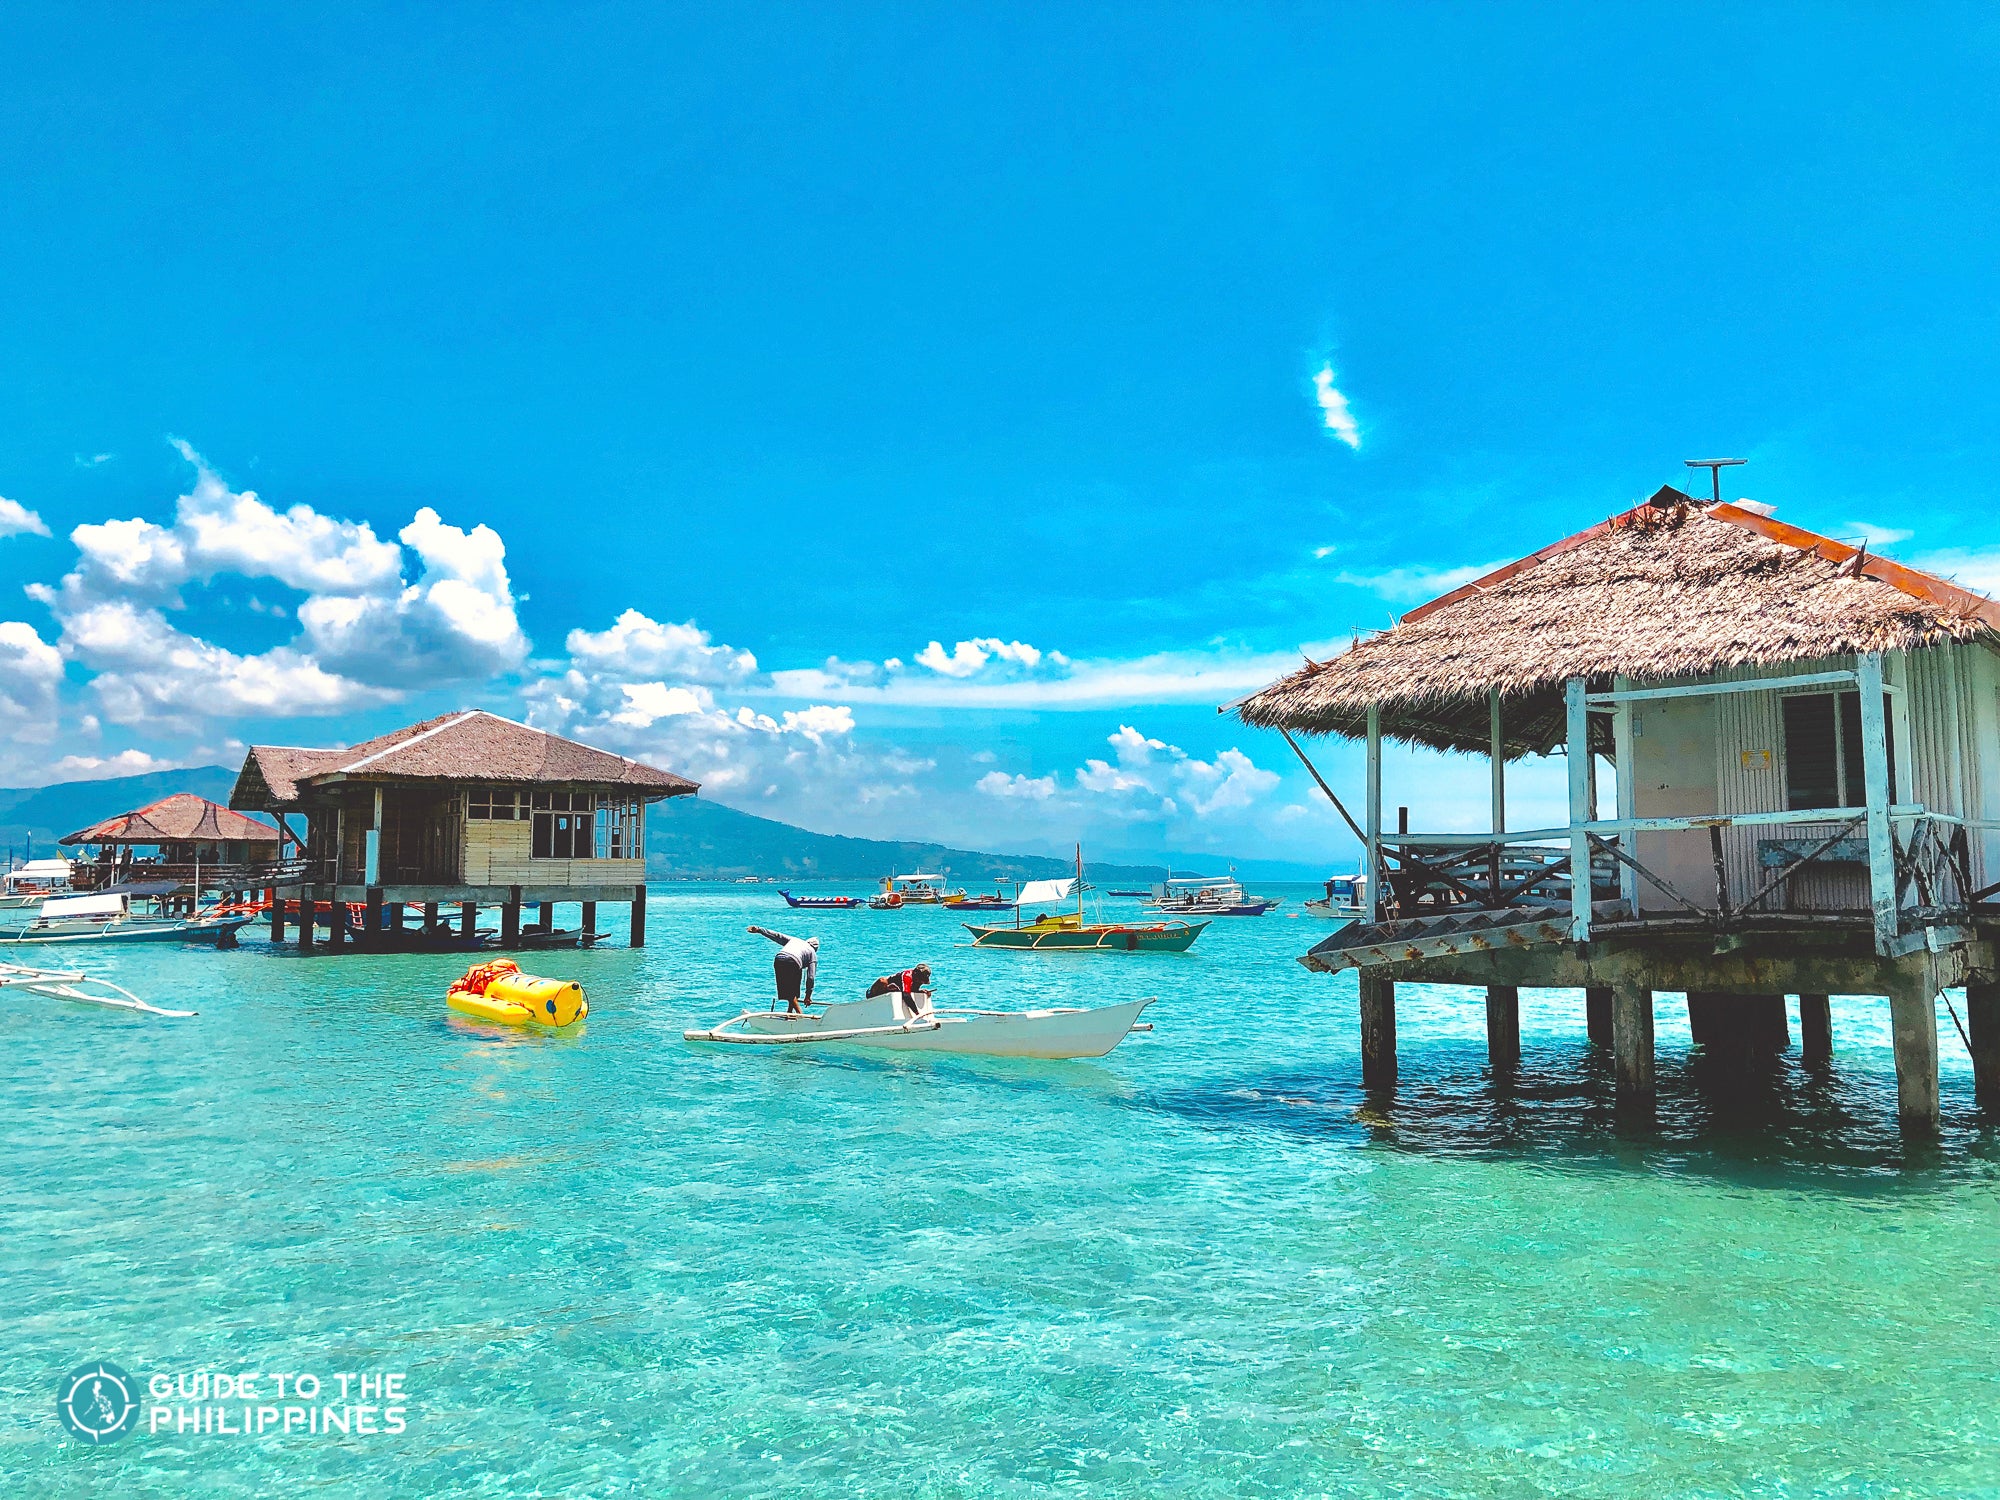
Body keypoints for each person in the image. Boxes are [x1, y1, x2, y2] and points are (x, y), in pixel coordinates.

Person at [747, 925, 818, 1014]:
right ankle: (800, 1014)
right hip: (793, 962)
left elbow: (777, 936)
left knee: (793, 991)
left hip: (779, 959)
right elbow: (810, 977)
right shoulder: (812, 953)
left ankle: (789, 1013)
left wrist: (759, 930)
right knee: (791, 993)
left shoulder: (795, 940)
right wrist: (808, 996)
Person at [865, 962, 933, 1019]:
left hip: (893, 991)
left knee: (897, 990)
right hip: (872, 993)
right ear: (915, 974)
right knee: (882, 981)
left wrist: (921, 992)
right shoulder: (907, 976)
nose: (920, 982)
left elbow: (913, 990)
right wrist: (917, 1013)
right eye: (920, 980)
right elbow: (906, 995)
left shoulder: (918, 980)